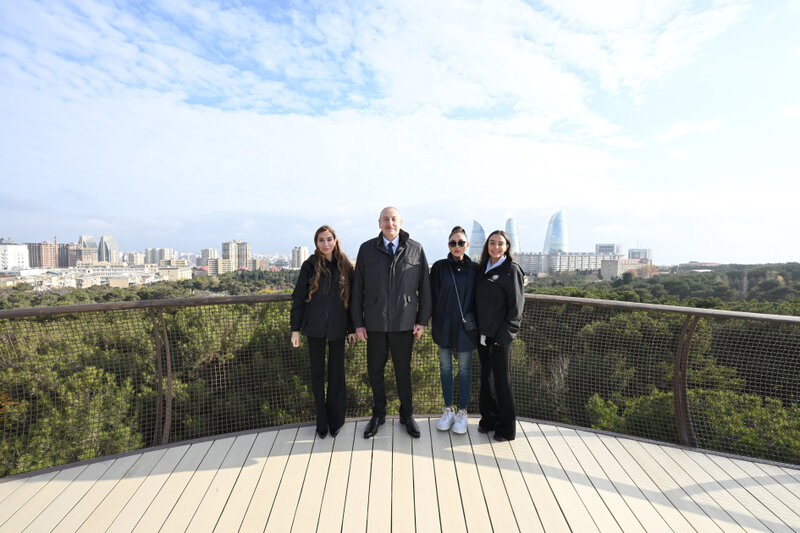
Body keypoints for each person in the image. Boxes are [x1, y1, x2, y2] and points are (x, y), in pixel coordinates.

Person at [351, 206, 432, 439]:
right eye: (385, 219)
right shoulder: (366, 250)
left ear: (401, 222)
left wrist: (422, 321)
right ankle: (379, 414)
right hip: (374, 323)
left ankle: (407, 415)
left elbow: (425, 288)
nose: (390, 223)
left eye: (393, 219)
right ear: (379, 223)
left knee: (403, 372)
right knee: (375, 371)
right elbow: (357, 290)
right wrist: (358, 323)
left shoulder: (416, 249)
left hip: (405, 323)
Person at [290, 225, 356, 439]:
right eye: (321, 240)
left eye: (329, 239)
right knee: (317, 376)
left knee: (337, 376)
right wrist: (295, 330)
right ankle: (322, 422)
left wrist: (352, 329)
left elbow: (353, 301)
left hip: (338, 330)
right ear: (316, 243)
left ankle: (336, 420)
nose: (325, 244)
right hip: (314, 329)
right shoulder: (309, 266)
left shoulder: (345, 265)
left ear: (335, 240)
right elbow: (298, 298)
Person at [475, 229, 524, 441]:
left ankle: (506, 429)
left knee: (502, 383)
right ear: (487, 246)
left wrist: (504, 337)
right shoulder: (483, 268)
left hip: (499, 338)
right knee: (486, 379)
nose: (496, 247)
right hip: (483, 336)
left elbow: (516, 309)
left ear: (507, 247)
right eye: (492, 243)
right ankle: (489, 419)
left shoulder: (511, 270)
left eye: (500, 244)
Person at [429, 226, 478, 435]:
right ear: (448, 245)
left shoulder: (476, 269)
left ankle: (463, 412)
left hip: (466, 328)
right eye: (453, 243)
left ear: (467, 245)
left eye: (461, 243)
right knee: (445, 368)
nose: (457, 246)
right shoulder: (439, 267)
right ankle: (448, 409)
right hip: (444, 325)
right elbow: (430, 296)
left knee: (465, 370)